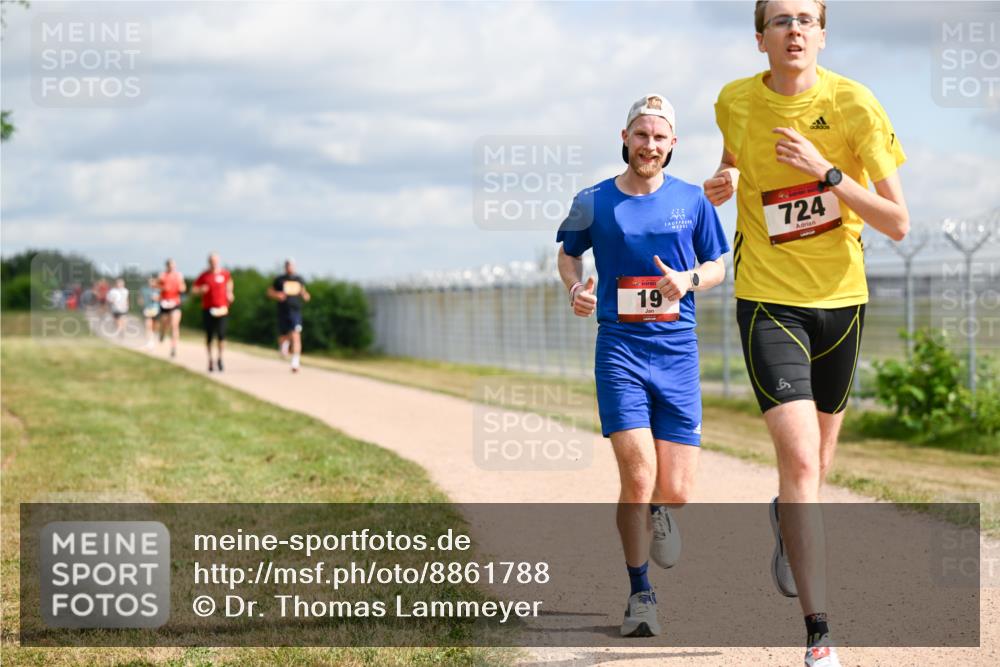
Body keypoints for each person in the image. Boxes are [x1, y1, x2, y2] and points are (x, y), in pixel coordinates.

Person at [705, 2, 909, 665]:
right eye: (780, 20)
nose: (794, 30)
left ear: (822, 35)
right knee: (798, 464)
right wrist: (727, 179)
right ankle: (819, 635)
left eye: (805, 20)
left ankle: (786, 519)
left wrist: (828, 171)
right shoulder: (734, 100)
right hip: (768, 299)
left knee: (815, 470)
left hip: (841, 303)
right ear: (759, 37)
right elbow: (734, 158)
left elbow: (897, 221)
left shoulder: (855, 104)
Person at [557, 94, 729, 637]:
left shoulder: (693, 200)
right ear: (625, 138)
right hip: (619, 351)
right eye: (641, 135)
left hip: (677, 352)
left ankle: (661, 510)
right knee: (637, 475)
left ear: (672, 143)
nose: (649, 145)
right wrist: (576, 288)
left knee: (675, 490)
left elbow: (718, 263)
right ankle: (640, 593)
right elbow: (568, 253)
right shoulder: (593, 200)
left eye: (659, 137)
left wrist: (689, 279)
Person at [267, 259, 311, 373]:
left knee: (296, 334)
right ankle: (284, 345)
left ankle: (295, 362)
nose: (289, 267)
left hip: (295, 311)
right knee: (283, 336)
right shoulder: (279, 279)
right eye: (287, 265)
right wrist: (277, 295)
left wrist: (305, 295)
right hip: (283, 311)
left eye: (291, 265)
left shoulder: (299, 279)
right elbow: (269, 292)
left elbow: (305, 294)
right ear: (285, 267)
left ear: (294, 266)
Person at [192, 253, 234, 372]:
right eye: (211, 261)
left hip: (222, 309)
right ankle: (210, 360)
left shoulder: (225, 273)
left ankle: (220, 358)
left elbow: (230, 282)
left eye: (215, 261)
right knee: (209, 336)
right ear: (208, 262)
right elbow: (194, 289)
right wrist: (201, 290)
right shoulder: (204, 275)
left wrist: (230, 293)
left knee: (221, 335)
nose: (213, 263)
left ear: (218, 261)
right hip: (208, 309)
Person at [157, 259, 187, 358]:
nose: (172, 267)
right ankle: (162, 334)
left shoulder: (179, 275)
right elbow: (156, 286)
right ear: (167, 266)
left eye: (173, 265)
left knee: (174, 325)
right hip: (164, 303)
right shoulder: (162, 275)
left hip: (175, 303)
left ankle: (173, 348)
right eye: (170, 265)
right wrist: (163, 287)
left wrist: (181, 288)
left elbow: (183, 288)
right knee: (164, 325)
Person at [139, 274, 161, 349]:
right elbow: (140, 298)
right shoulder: (144, 289)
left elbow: (162, 298)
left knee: (155, 326)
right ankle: (149, 342)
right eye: (150, 281)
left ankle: (154, 337)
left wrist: (157, 298)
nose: (151, 282)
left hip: (156, 310)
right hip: (147, 310)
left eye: (153, 281)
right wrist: (141, 302)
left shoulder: (159, 290)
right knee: (148, 325)